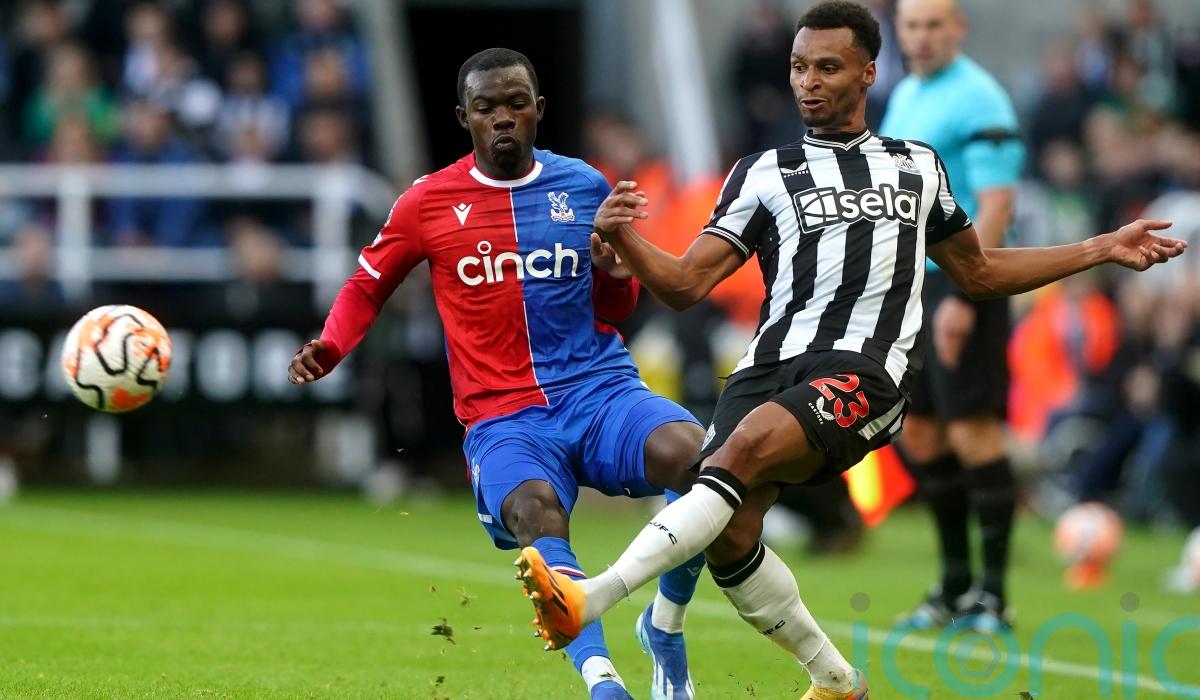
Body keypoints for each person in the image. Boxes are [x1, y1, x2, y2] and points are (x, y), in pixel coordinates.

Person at [513, 3, 1185, 699]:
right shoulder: (761, 172)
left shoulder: (916, 167)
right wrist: (624, 238)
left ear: (867, 73)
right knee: (730, 532)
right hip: (767, 366)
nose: (809, 81)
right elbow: (685, 285)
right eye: (799, 67)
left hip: (866, 370)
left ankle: (591, 597)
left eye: (828, 67)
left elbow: (979, 271)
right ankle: (833, 678)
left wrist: (1100, 248)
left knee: (741, 453)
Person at [287, 48, 709, 700]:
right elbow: (368, 285)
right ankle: (604, 683)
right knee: (536, 516)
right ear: (465, 118)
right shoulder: (426, 202)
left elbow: (614, 306)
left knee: (700, 461)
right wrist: (332, 344)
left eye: (516, 103)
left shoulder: (584, 186)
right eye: (487, 107)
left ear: (539, 109)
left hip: (598, 391)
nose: (503, 117)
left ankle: (666, 626)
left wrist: (615, 274)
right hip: (503, 416)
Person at [879, 0, 1026, 631]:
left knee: (972, 431)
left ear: (958, 29)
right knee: (922, 433)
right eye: (912, 25)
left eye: (934, 24)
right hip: (914, 286)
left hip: (963, 282)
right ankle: (955, 586)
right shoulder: (905, 94)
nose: (922, 36)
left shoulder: (981, 98)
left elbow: (997, 204)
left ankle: (994, 595)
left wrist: (968, 293)